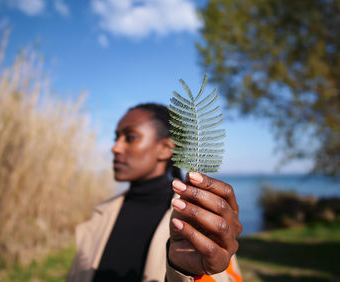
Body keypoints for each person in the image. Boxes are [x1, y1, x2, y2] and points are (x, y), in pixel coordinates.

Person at [67, 103, 242, 282]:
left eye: (130, 137)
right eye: (116, 137)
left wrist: (189, 273)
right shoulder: (102, 214)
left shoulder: (193, 219)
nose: (115, 148)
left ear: (166, 148)